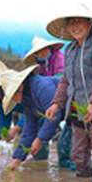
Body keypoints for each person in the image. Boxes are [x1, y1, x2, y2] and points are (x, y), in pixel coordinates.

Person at [44, 4, 92, 182]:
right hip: (76, 109)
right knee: (78, 155)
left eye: (79, 21)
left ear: (90, 23)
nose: (75, 26)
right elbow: (65, 80)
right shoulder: (70, 50)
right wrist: (56, 103)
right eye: (71, 22)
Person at [23, 34, 74, 171]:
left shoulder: (59, 58)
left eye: (44, 50)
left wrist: (47, 86)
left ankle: (70, 172)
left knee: (65, 143)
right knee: (40, 123)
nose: (42, 53)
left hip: (65, 97)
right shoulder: (40, 65)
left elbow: (62, 79)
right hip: (48, 98)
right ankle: (40, 157)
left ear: (49, 48)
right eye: (39, 52)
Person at [1, 66, 64, 170]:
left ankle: (76, 181)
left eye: (13, 97)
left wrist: (39, 139)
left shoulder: (41, 86)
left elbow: (54, 116)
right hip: (66, 115)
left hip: (78, 110)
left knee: (66, 148)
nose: (15, 101)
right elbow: (29, 129)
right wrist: (17, 159)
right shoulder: (27, 98)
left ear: (19, 87)